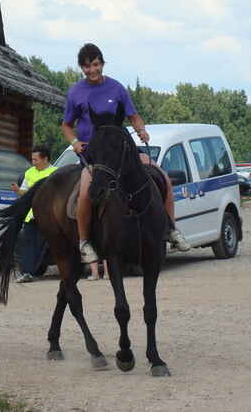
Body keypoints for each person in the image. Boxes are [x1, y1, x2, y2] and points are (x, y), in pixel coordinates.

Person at [61, 43, 190, 264]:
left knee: (163, 177)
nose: (91, 70)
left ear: (102, 63)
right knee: (84, 192)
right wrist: (74, 142)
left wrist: (141, 130)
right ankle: (84, 242)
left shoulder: (117, 88)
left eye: (95, 65)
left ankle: (171, 229)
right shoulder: (76, 92)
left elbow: (134, 116)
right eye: (86, 67)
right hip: (95, 154)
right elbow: (66, 125)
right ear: (81, 68)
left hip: (122, 150)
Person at [12, 145, 57, 283]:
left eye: (35, 159)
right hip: (31, 216)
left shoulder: (55, 172)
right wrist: (18, 190)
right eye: (32, 159)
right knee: (27, 244)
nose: (33, 162)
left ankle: (35, 271)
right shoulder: (29, 173)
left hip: (49, 216)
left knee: (42, 244)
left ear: (45, 159)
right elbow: (25, 193)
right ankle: (27, 273)